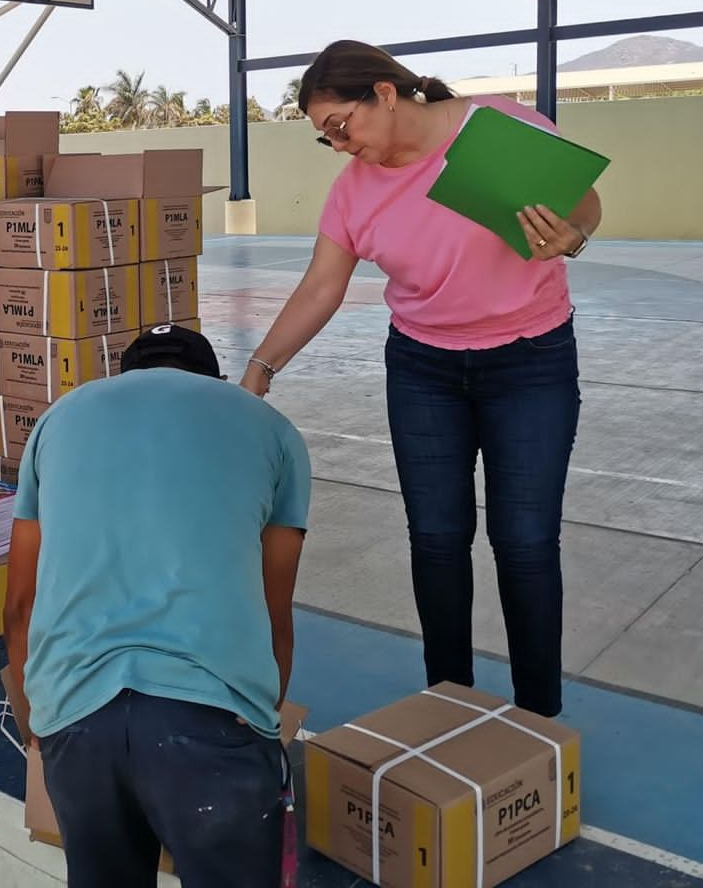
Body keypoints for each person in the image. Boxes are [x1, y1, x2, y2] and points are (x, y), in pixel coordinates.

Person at [240, 39, 601, 719]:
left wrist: (571, 234)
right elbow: (322, 287)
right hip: (424, 369)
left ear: (383, 92)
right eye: (327, 141)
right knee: (436, 538)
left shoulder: (498, 129)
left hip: (531, 360)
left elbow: (586, 204)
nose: (341, 147)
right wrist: (259, 370)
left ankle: (538, 722)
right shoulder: (353, 193)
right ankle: (450, 705)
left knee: (524, 540)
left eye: (342, 128)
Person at [4, 323, 310, 888]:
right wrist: (260, 728)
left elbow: (20, 607)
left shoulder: (61, 419)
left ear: (125, 378)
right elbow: (274, 613)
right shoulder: (270, 428)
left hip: (76, 718)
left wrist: (39, 729)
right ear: (213, 380)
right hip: (212, 723)